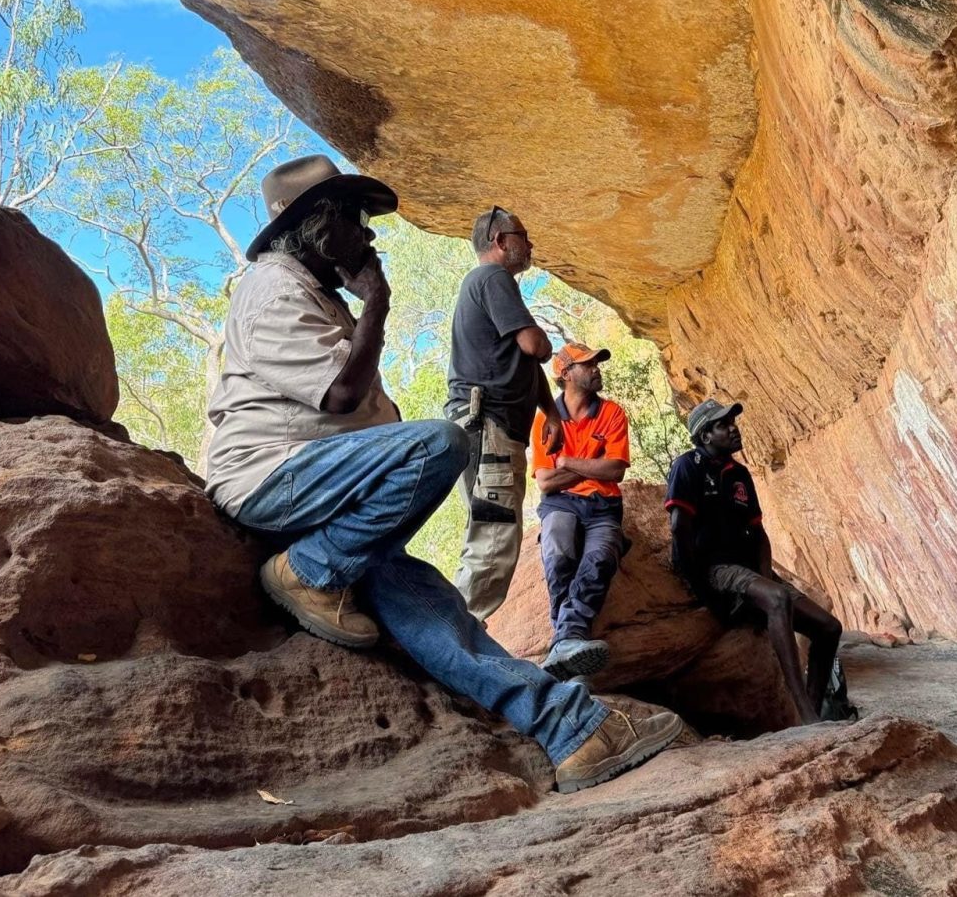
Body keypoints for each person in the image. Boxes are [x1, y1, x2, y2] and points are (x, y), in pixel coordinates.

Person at [205, 155, 682, 792]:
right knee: (437, 444)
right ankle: (311, 569)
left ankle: (575, 733)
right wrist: (375, 300)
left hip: (326, 493)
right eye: (355, 218)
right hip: (276, 478)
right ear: (317, 224)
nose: (368, 235)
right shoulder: (272, 291)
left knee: (438, 615)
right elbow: (342, 396)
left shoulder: (311, 294)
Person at [664, 399, 843, 724]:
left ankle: (814, 711)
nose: (733, 428)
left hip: (748, 568)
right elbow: (679, 528)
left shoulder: (740, 474)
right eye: (723, 425)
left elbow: (757, 532)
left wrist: (765, 578)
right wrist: (702, 587)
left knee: (829, 627)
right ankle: (804, 713)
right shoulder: (687, 466)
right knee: (776, 601)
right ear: (705, 435)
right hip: (717, 568)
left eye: (733, 422)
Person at [445, 206, 564, 623]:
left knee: (491, 532)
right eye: (523, 235)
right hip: (487, 422)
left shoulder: (490, 285)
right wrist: (545, 341)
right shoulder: (492, 278)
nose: (529, 244)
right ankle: (456, 640)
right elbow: (537, 348)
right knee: (493, 537)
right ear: (499, 240)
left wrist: (551, 413)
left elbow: (524, 363)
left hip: (488, 424)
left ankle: (459, 633)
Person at [530, 343, 630, 680]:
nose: (596, 369)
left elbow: (615, 470)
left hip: (603, 507)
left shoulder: (612, 413)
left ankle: (563, 639)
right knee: (558, 551)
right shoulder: (545, 418)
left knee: (601, 557)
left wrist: (568, 462)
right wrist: (593, 466)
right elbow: (545, 482)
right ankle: (570, 638)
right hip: (560, 503)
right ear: (565, 373)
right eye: (588, 365)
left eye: (596, 363)